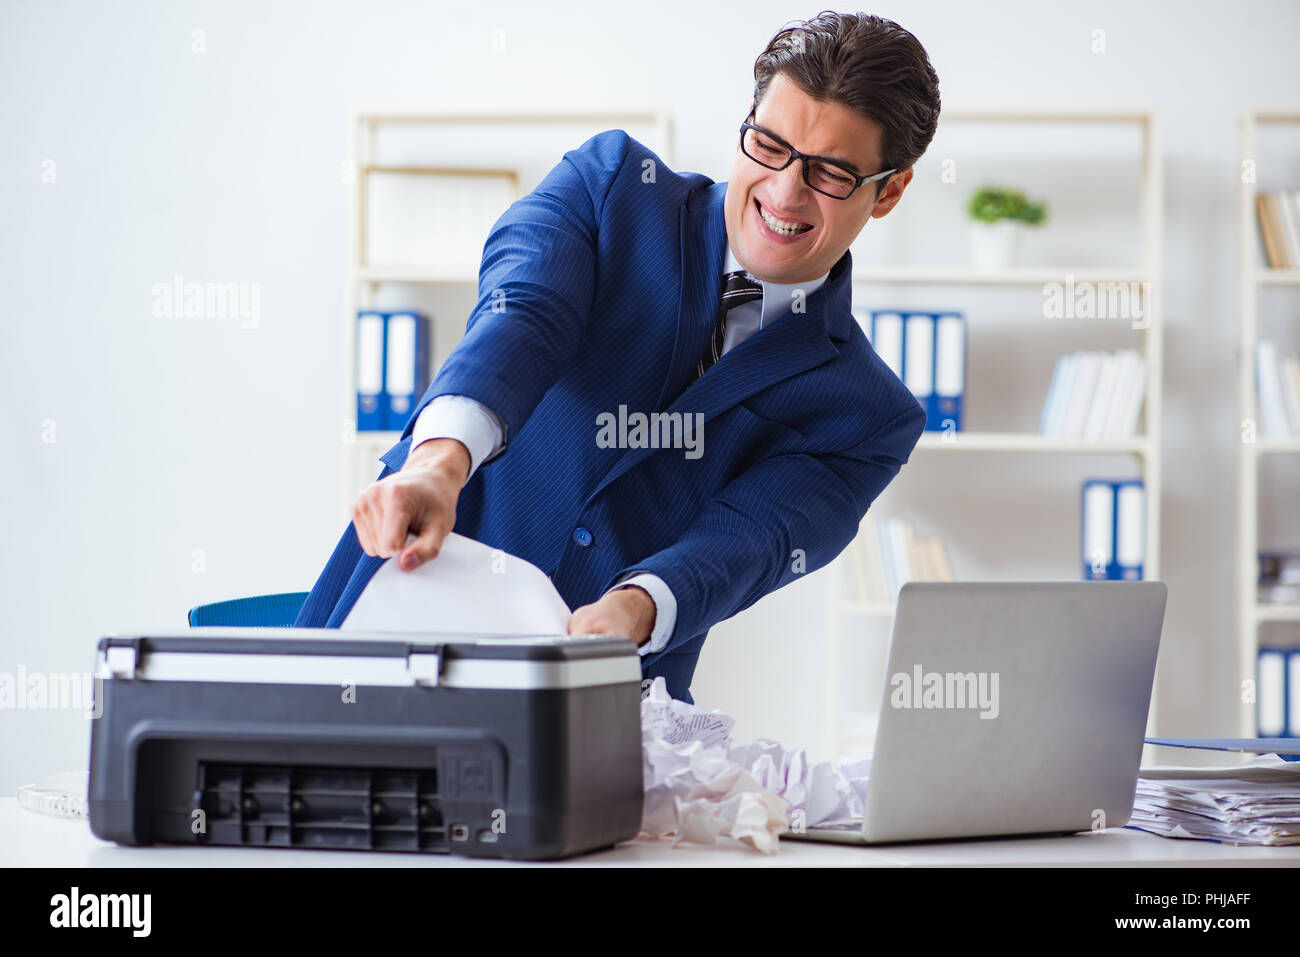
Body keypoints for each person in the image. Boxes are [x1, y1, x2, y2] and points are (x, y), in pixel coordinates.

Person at [295, 11, 941, 704]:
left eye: (831, 173)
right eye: (769, 145)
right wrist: (437, 464)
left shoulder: (866, 414)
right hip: (400, 614)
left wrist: (634, 608)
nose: (784, 191)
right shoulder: (612, 191)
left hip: (606, 703)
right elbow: (524, 317)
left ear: (890, 191)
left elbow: (750, 540)